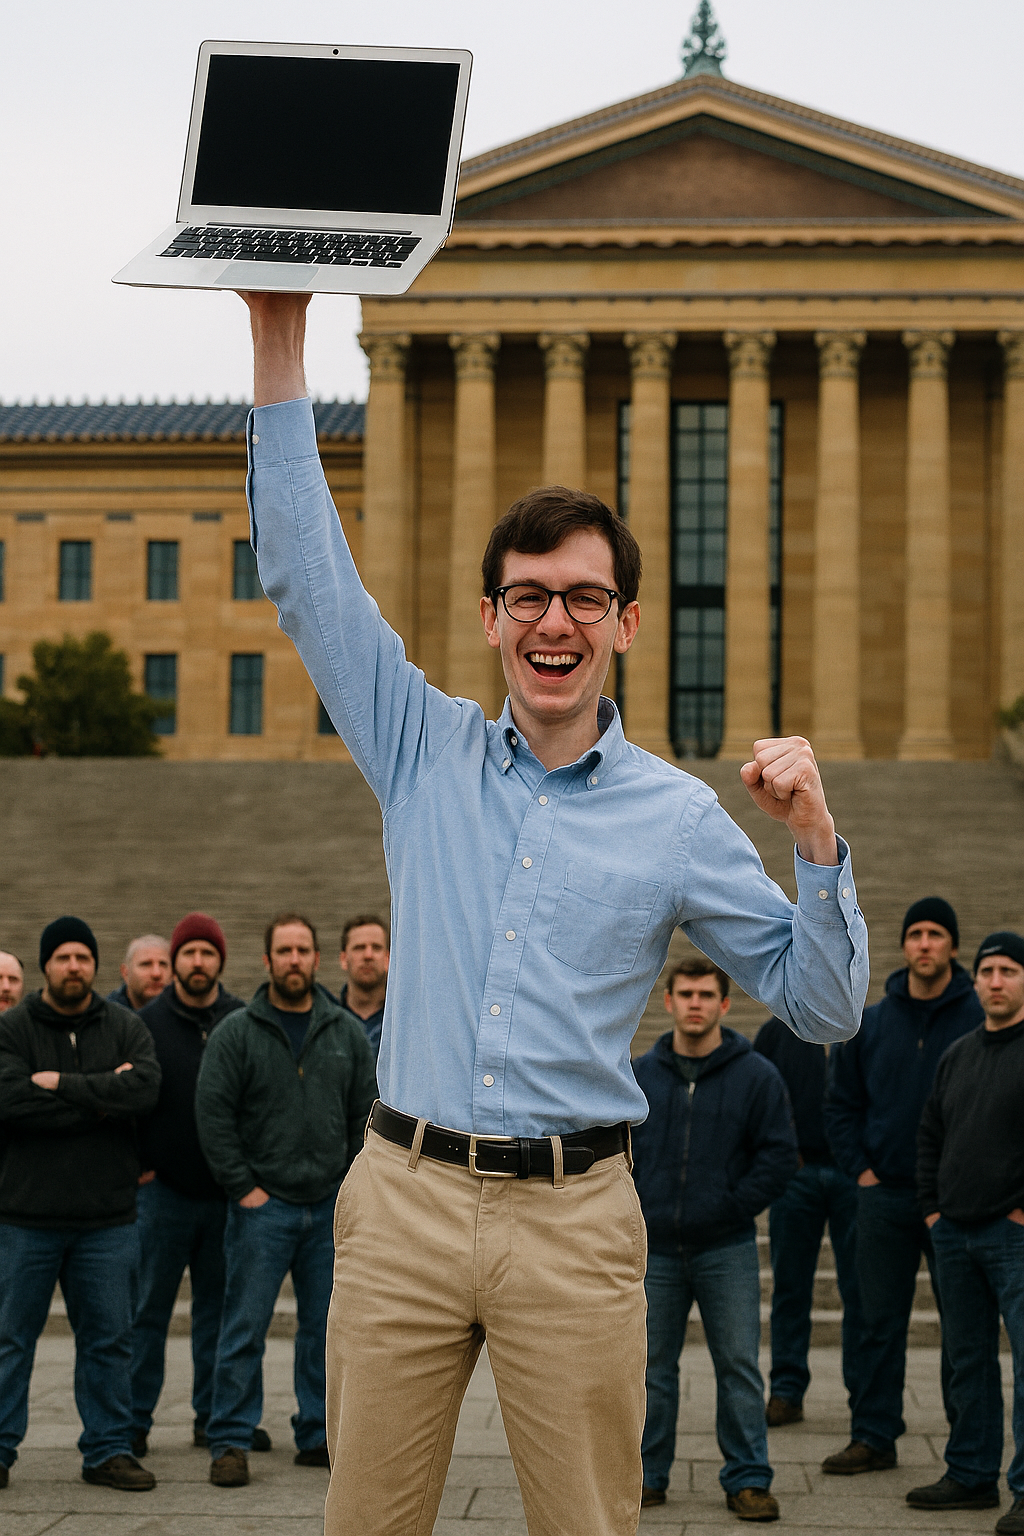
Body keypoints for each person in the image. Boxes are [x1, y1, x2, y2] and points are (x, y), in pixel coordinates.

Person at [235, 291, 867, 1536]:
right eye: (527, 597)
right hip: (404, 1197)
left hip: (574, 1220)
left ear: (625, 623)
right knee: (362, 1520)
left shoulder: (679, 817)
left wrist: (814, 844)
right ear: (491, 622)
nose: (553, 622)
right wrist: (276, 328)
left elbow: (824, 1006)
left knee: (586, 1522)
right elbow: (309, 582)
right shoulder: (421, 749)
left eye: (582, 598)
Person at [195, 913, 376, 1488]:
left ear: (317, 959)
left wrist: (348, 1186)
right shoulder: (236, 1033)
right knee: (244, 1325)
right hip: (262, 1208)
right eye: (284, 951)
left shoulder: (343, 1031)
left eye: (303, 950)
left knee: (324, 1329)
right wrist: (244, 1188)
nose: (293, 960)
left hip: (326, 1207)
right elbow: (214, 1116)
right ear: (267, 960)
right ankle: (229, 1437)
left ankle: (318, 1430)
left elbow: (363, 1116)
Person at [632, 959, 798, 1522]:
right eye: (686, 994)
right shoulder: (639, 1076)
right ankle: (647, 1476)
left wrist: (728, 1207)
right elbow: (615, 1153)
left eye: (707, 994)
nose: (696, 1003)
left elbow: (778, 1157)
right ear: (669, 1002)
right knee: (652, 1368)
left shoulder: (756, 1076)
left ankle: (749, 1479)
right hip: (654, 1250)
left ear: (725, 1005)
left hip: (726, 1247)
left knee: (739, 1366)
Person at [823, 896, 983, 1475]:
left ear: (954, 948)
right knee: (874, 1320)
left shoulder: (978, 1018)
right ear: (904, 946)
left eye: (936, 934)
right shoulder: (874, 1021)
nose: (924, 944)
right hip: (885, 1194)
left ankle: (967, 1447)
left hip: (958, 1200)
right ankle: (872, 1434)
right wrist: (861, 1173)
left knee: (964, 1328)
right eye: (915, 933)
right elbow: (841, 1106)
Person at [0, 917, 161, 1492]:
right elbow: (10, 1102)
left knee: (110, 1339)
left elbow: (143, 1090)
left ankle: (109, 1450)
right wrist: (101, 1096)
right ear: (46, 965)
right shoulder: (13, 1029)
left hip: (106, 1220)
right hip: (26, 1217)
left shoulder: (125, 1025)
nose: (74, 966)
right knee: (10, 1338)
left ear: (97, 965)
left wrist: (60, 1085)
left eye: (83, 957)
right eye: (64, 957)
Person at [907, 931, 1024, 1533]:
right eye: (988, 972)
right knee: (967, 1361)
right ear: (973, 981)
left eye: (1008, 970)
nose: (996, 981)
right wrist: (932, 1209)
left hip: (1014, 1237)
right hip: (954, 1232)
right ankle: (972, 1474)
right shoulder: (960, 1053)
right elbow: (930, 1135)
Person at [130, 912, 257, 1457]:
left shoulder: (242, 1019)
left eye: (207, 952)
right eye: (189, 953)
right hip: (163, 1197)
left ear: (220, 961)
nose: (198, 961)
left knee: (217, 1316)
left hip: (225, 1196)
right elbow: (130, 1100)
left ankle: (213, 1416)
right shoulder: (145, 1023)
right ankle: (131, 1421)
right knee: (146, 1314)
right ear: (176, 962)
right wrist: (138, 1162)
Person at [753, 1017, 863, 1428]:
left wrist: (862, 1161)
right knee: (790, 1289)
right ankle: (786, 1390)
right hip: (796, 1176)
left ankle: (863, 1394)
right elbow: (759, 1097)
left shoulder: (862, 1028)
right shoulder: (776, 1032)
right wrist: (780, 1155)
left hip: (851, 1176)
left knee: (860, 1289)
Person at [337, 915, 389, 1057]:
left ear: (388, 959)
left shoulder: (402, 1024)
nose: (368, 955)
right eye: (359, 948)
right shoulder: (327, 1023)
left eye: (376, 948)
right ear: (343, 959)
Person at [107, 935, 172, 1012]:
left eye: (163, 964)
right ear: (125, 973)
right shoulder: (105, 1018)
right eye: (146, 964)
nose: (156, 974)